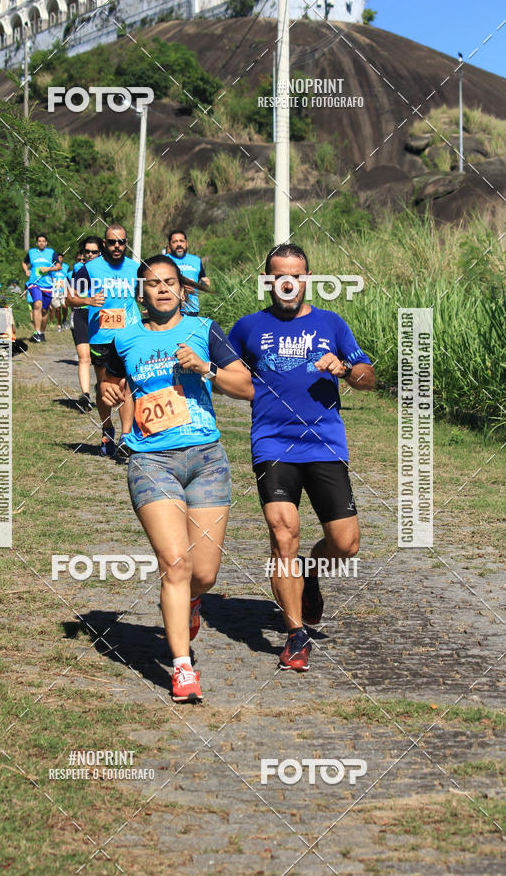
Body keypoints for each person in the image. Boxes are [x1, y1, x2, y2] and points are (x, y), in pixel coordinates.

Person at [101, 255, 253, 702]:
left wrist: (205, 368)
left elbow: (246, 386)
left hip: (206, 459)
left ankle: (189, 603)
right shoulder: (124, 339)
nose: (163, 289)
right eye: (153, 283)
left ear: (182, 290)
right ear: (141, 293)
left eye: (170, 282)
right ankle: (182, 669)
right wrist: (108, 394)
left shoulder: (203, 330)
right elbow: (109, 387)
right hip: (152, 463)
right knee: (176, 564)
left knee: (203, 573)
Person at [229, 244, 375, 673]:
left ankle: (310, 573)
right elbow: (228, 375)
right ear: (268, 279)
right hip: (273, 443)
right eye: (278, 275)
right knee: (282, 534)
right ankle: (296, 635)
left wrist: (346, 371)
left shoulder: (332, 323)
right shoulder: (247, 328)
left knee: (345, 544)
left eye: (296, 274)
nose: (287, 282)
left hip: (325, 444)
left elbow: (368, 378)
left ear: (307, 278)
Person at [70, 223, 139, 457]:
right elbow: (70, 298)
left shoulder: (136, 268)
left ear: (126, 243)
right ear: (104, 244)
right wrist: (87, 301)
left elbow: (146, 295)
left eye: (121, 242)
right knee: (104, 387)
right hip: (101, 336)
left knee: (128, 385)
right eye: (112, 242)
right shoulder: (90, 269)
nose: (117, 246)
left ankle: (127, 437)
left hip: (129, 336)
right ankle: (107, 428)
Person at [66, 237, 103, 412]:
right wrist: (87, 300)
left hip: (103, 317)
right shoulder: (81, 270)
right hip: (81, 314)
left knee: (101, 361)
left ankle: (101, 390)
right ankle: (85, 395)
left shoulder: (108, 270)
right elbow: (69, 299)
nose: (89, 255)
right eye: (86, 251)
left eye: (94, 252)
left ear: (101, 252)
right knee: (84, 357)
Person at [22, 233, 61, 343]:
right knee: (37, 304)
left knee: (44, 310)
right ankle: (37, 333)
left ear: (46, 242)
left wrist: (48, 269)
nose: (41, 243)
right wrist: (26, 271)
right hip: (34, 282)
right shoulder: (31, 252)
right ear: (36, 243)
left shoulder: (51, 252)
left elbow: (59, 266)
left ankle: (42, 333)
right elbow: (24, 263)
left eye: (43, 241)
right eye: (39, 241)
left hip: (47, 285)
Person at [167, 229, 210, 315]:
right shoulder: (163, 260)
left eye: (181, 241)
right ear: (169, 245)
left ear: (187, 243)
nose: (179, 244)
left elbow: (203, 282)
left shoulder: (196, 260)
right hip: (170, 309)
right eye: (175, 242)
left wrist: (203, 283)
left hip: (192, 309)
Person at [50, 253, 70, 331]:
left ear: (62, 259)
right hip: (55, 291)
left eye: (61, 258)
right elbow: (50, 279)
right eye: (58, 258)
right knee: (57, 309)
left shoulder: (66, 267)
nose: (59, 259)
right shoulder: (52, 268)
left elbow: (68, 278)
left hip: (63, 290)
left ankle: (64, 320)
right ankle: (59, 324)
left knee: (64, 306)